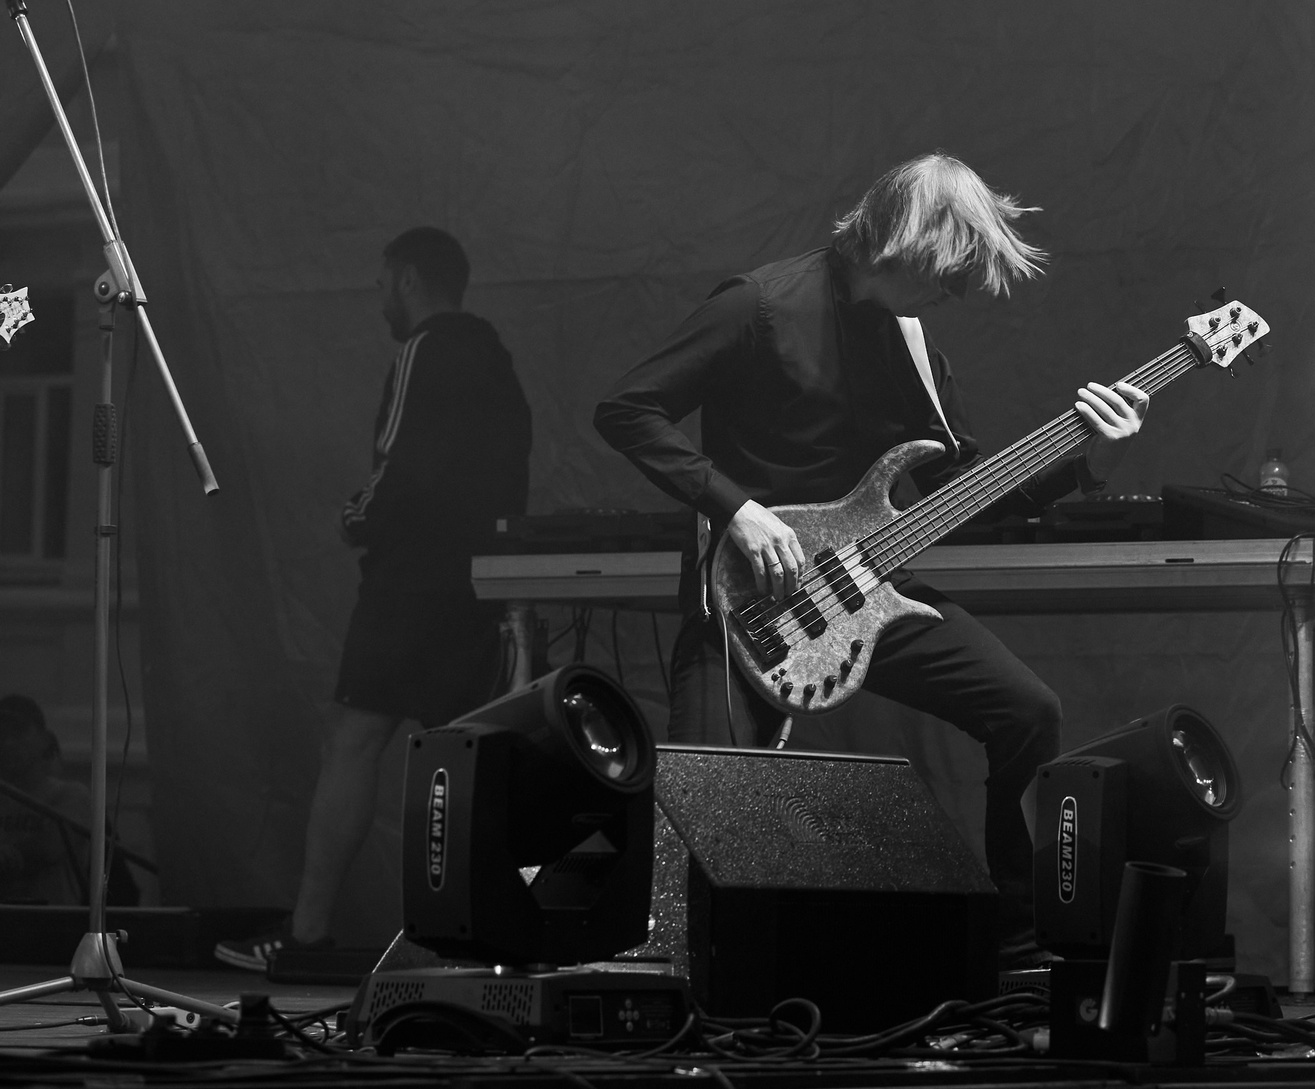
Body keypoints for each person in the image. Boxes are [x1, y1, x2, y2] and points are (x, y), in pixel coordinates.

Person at [593, 152, 1149, 966]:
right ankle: (688, 980)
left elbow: (965, 489)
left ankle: (1018, 939)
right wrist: (735, 508)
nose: (952, 296)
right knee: (704, 814)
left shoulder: (915, 344)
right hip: (750, 602)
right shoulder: (757, 304)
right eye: (946, 274)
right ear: (901, 243)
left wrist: (1085, 458)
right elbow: (627, 409)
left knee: (1026, 709)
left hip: (867, 588)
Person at [216, 228, 530, 972]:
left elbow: (401, 466)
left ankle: (309, 933)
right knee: (463, 757)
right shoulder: (496, 358)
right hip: (478, 583)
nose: (379, 297)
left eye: (383, 281)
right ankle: (474, 940)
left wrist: (356, 518)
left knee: (354, 741)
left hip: (410, 583)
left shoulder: (425, 349)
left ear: (410, 280)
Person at [0, 695, 92, 905]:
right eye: (1, 733)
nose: (7, 742)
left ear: (44, 739)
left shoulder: (71, 796)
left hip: (52, 926)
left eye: (18, 731)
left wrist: (9, 856)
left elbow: (49, 848)